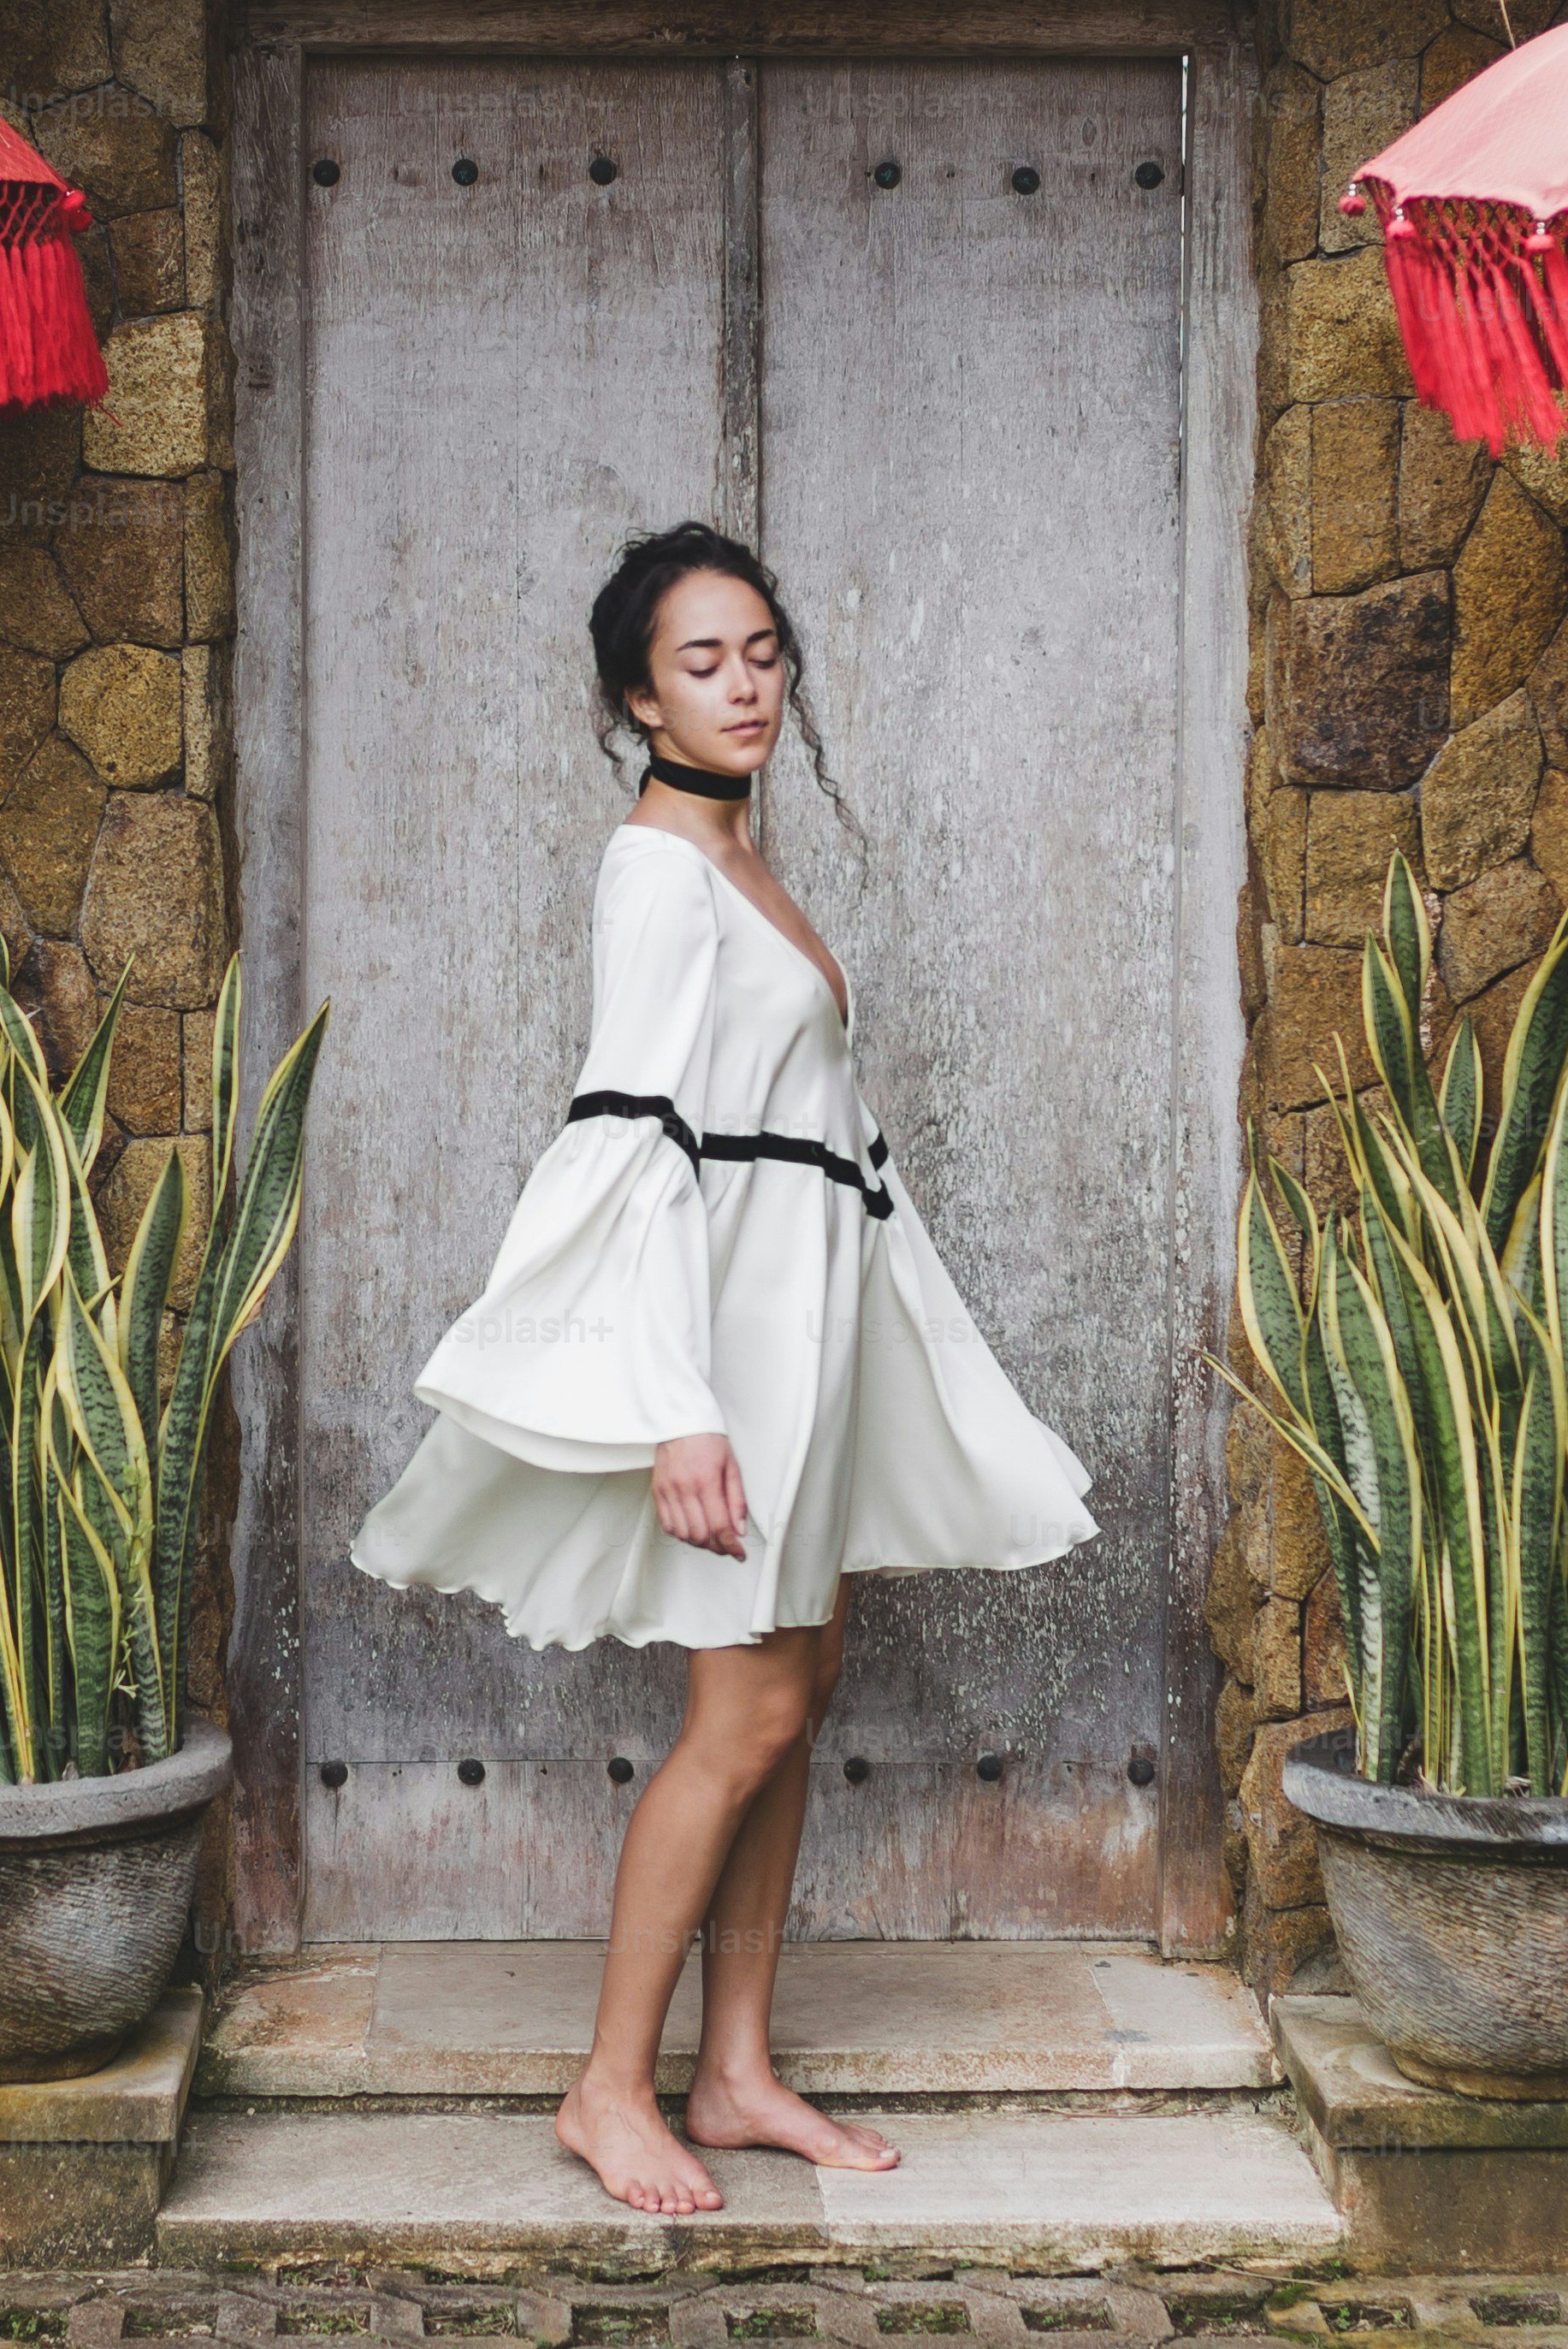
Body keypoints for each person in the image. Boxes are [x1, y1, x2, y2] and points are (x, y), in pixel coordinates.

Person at [347, 522, 1099, 2217]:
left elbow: (823, 1153)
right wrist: (674, 1401)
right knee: (738, 1710)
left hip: (807, 1347)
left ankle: (737, 2067)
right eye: (701, 662)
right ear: (636, 695)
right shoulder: (656, 873)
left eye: (761, 651)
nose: (744, 683)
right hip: (731, 1362)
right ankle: (608, 2087)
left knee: (793, 1701)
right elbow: (633, 1146)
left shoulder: (748, 863)